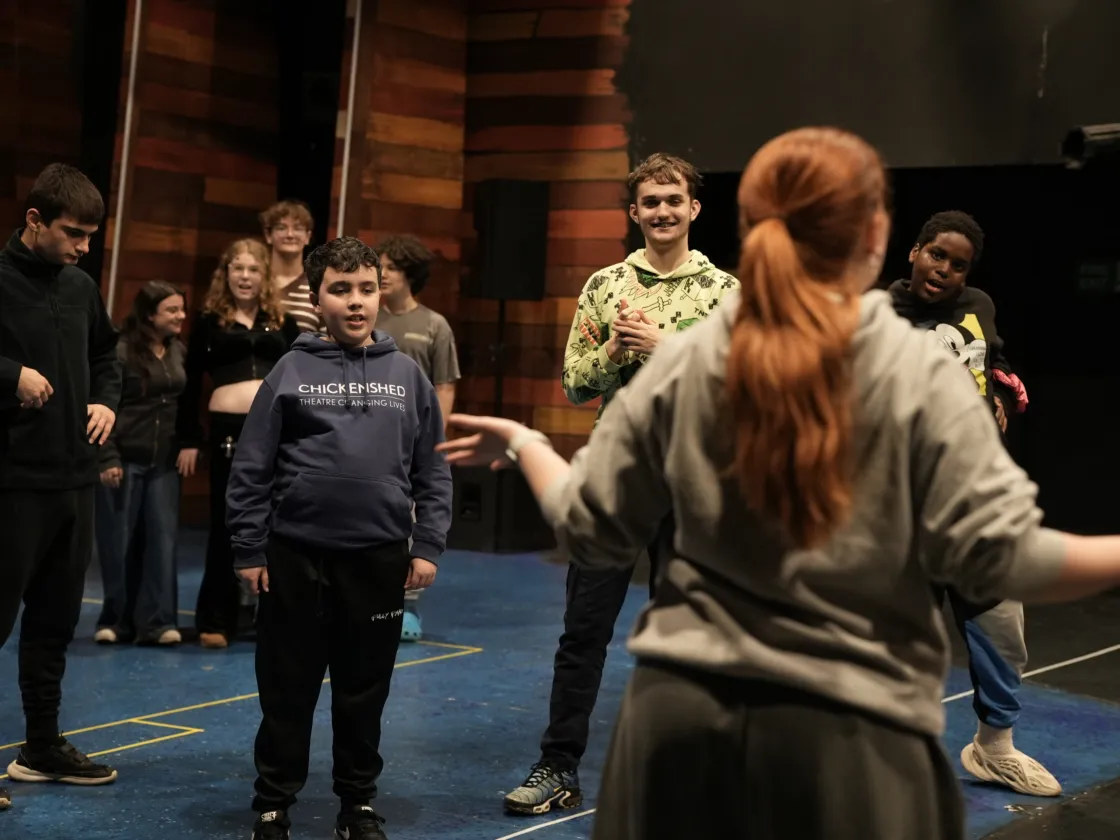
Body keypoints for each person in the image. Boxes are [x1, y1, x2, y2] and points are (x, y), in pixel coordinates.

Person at [436, 126, 1120, 840]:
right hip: (857, 734)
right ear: (883, 235)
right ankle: (560, 761)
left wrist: (524, 441)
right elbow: (1012, 558)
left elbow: (583, 516)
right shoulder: (912, 372)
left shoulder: (703, 352)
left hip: (686, 718)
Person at [503, 152, 740, 815]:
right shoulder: (605, 286)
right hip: (616, 478)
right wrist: (612, 352)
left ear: (694, 208)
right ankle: (558, 765)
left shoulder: (726, 292)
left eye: (673, 200)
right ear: (633, 212)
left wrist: (669, 350)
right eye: (650, 202)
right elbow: (575, 384)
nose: (662, 211)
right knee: (583, 631)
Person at [225, 236, 453, 840]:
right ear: (316, 296)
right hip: (294, 558)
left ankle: (357, 805)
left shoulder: (407, 374)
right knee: (286, 687)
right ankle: (274, 803)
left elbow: (433, 468)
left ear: (381, 293)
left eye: (367, 289)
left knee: (364, 691)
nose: (356, 303)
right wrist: (249, 549)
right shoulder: (289, 370)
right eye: (341, 290)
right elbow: (251, 468)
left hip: (377, 560)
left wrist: (426, 544)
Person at [887, 210, 1059, 796]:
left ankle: (994, 748)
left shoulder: (978, 305)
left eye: (958, 265)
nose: (945, 271)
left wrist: (1004, 383)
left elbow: (991, 357)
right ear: (914, 252)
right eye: (937, 256)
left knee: (1002, 628)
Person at [0, 163, 122, 808]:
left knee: (53, 625)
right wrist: (8, 374)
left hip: (75, 482)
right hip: (11, 483)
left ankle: (41, 747)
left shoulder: (80, 286)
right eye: (73, 233)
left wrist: (105, 400)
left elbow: (107, 356)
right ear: (34, 221)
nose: (83, 246)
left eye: (91, 237)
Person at [176, 239, 301, 649]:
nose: (245, 277)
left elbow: (301, 376)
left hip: (277, 431)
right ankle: (216, 617)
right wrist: (190, 438)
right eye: (237, 269)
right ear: (225, 273)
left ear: (264, 276)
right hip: (227, 431)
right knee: (228, 522)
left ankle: (278, 617)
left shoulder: (282, 321)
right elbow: (190, 384)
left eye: (253, 270)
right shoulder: (209, 320)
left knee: (279, 523)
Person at [93, 280, 189, 647]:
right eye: (173, 310)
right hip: (124, 459)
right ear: (150, 315)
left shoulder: (179, 350)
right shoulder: (120, 351)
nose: (181, 316)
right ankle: (116, 621)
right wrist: (107, 456)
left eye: (182, 309)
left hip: (163, 463)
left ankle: (158, 622)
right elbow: (106, 404)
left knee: (162, 542)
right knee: (118, 543)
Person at [374, 234, 460, 641]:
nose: (382, 273)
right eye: (381, 266)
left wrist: (435, 441)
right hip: (370, 438)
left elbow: (444, 385)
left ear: (410, 274)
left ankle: (406, 609)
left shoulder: (434, 325)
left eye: (390, 267)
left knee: (411, 523)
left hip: (414, 441)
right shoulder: (368, 319)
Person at [261, 199, 322, 333]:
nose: (290, 235)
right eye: (281, 228)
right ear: (268, 235)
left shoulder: (318, 288)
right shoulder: (254, 282)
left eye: (298, 228)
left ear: (307, 237)